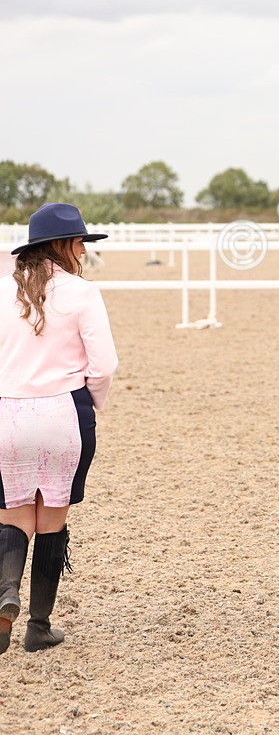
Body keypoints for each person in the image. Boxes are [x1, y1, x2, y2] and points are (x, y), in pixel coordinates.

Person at [0, 203, 117, 654]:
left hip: (9, 412)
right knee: (51, 518)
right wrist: (94, 403)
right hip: (63, 413)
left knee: (12, 514)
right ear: (65, 245)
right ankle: (39, 626)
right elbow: (104, 364)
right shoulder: (82, 294)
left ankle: (5, 590)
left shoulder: (3, 291)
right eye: (80, 243)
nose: (83, 251)